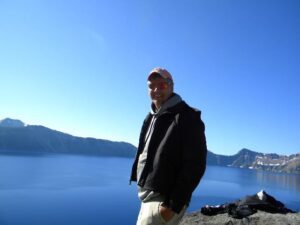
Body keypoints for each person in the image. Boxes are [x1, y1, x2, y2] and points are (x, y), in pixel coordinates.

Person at [130, 67, 207, 225]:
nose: (156, 89)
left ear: (171, 86)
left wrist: (172, 206)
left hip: (163, 200)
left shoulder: (187, 117)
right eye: (151, 86)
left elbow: (195, 165)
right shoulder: (151, 117)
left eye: (162, 85)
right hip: (148, 197)